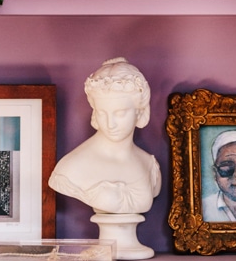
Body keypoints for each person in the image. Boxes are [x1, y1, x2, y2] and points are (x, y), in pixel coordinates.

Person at [48, 57, 161, 218]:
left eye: (120, 113)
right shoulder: (71, 167)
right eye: (102, 112)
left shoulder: (149, 164)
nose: (110, 123)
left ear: (139, 111)